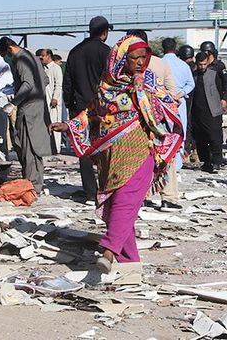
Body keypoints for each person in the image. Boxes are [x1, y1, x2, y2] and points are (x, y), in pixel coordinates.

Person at [50, 35, 182, 272]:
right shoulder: (106, 86)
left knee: (125, 199)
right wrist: (69, 125)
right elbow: (92, 113)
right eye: (135, 58)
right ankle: (129, 261)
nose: (141, 62)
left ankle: (109, 251)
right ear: (121, 59)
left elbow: (169, 106)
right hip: (111, 156)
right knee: (116, 204)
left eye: (144, 57)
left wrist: (151, 98)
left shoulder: (148, 83)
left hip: (141, 149)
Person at [0, 37, 54, 193]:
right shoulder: (33, 57)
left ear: (9, 49)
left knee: (26, 148)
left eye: (4, 55)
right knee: (35, 149)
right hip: (39, 106)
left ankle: (30, 185)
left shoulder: (21, 60)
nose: (6, 59)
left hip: (28, 109)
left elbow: (28, 84)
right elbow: (45, 80)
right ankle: (36, 184)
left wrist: (13, 102)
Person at [64, 16, 112, 202]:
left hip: (80, 108)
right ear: (105, 32)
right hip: (103, 109)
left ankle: (90, 191)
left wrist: (70, 107)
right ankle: (106, 188)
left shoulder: (75, 52)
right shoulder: (107, 52)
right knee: (105, 147)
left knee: (84, 149)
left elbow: (68, 82)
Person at [155, 37, 195, 211]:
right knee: (178, 137)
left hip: (158, 108)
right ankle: (175, 169)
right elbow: (190, 84)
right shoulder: (183, 65)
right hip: (177, 105)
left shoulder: (156, 63)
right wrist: (180, 94)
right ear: (176, 48)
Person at [192, 50, 226, 172]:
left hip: (212, 111)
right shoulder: (193, 75)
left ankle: (217, 162)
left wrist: (224, 99)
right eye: (200, 64)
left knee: (214, 137)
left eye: (204, 64)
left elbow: (222, 87)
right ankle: (206, 162)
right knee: (200, 139)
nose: (202, 67)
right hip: (197, 113)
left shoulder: (213, 74)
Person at [37, 49, 64, 152]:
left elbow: (58, 84)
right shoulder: (42, 69)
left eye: (42, 55)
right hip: (44, 101)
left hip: (53, 102)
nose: (41, 58)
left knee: (54, 124)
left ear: (48, 55)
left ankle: (56, 148)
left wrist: (55, 98)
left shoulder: (56, 68)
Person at [198, 41, 227, 114]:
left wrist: (224, 99)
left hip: (215, 101)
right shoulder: (201, 66)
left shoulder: (219, 66)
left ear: (209, 52)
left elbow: (226, 83)